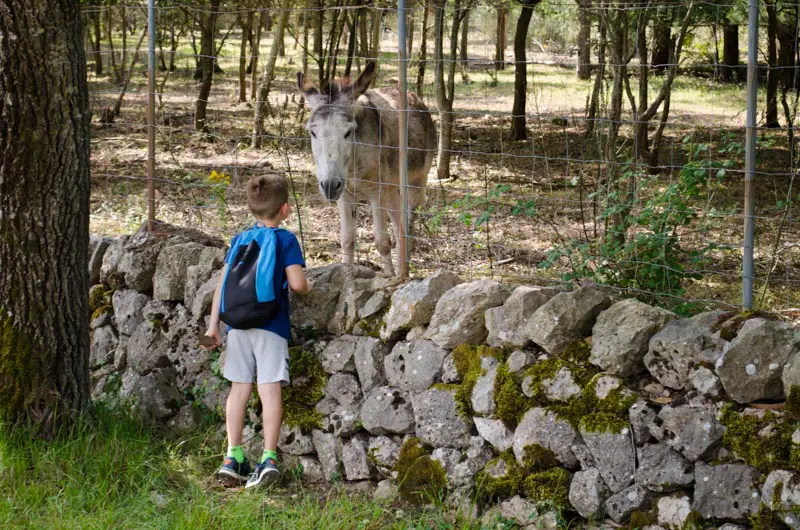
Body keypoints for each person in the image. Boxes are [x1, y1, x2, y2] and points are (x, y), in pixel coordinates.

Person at [202, 174, 311, 489]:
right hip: (270, 326)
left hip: (236, 327)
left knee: (239, 390)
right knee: (269, 390)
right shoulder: (285, 239)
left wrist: (213, 326)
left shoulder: (239, 240)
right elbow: (297, 284)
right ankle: (267, 459)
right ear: (286, 209)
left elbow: (222, 285)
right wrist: (309, 284)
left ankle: (232, 456)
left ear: (251, 209)